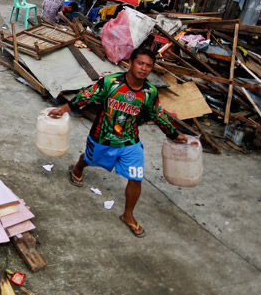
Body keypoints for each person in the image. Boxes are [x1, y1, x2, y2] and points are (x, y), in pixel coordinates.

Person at [48, 46, 188, 237]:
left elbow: (157, 114)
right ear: (130, 63)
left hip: (130, 141)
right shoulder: (110, 83)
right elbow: (87, 96)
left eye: (148, 65)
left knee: (136, 177)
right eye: (140, 63)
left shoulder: (150, 92)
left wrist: (173, 134)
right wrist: (63, 109)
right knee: (90, 159)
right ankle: (78, 168)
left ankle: (128, 215)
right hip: (102, 137)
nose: (143, 68)